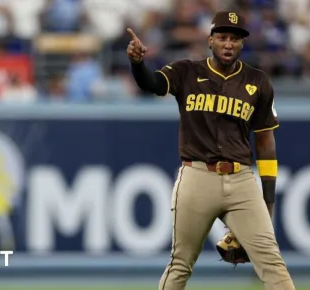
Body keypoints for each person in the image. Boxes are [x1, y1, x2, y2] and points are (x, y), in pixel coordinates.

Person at [126, 11, 296, 290]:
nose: (228, 44)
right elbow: (152, 84)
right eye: (222, 37)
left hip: (242, 181)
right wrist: (137, 64)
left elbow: (265, 142)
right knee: (180, 263)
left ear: (242, 44)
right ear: (210, 40)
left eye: (235, 38)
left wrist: (268, 200)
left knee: (273, 263)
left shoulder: (258, 82)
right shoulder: (186, 71)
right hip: (197, 176)